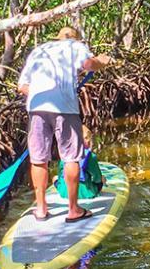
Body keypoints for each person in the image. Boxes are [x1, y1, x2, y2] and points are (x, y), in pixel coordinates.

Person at [18, 26, 111, 222]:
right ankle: (73, 209)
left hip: (36, 107)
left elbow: (22, 87)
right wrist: (102, 61)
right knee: (70, 157)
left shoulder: (39, 51)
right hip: (65, 109)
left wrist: (42, 93)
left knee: (38, 158)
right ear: (76, 40)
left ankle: (41, 209)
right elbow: (88, 64)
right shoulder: (75, 47)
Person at [54, 125, 105, 200]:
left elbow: (60, 174)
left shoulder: (63, 154)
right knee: (102, 179)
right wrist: (101, 180)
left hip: (65, 194)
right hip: (87, 193)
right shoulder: (90, 157)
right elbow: (97, 178)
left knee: (55, 178)